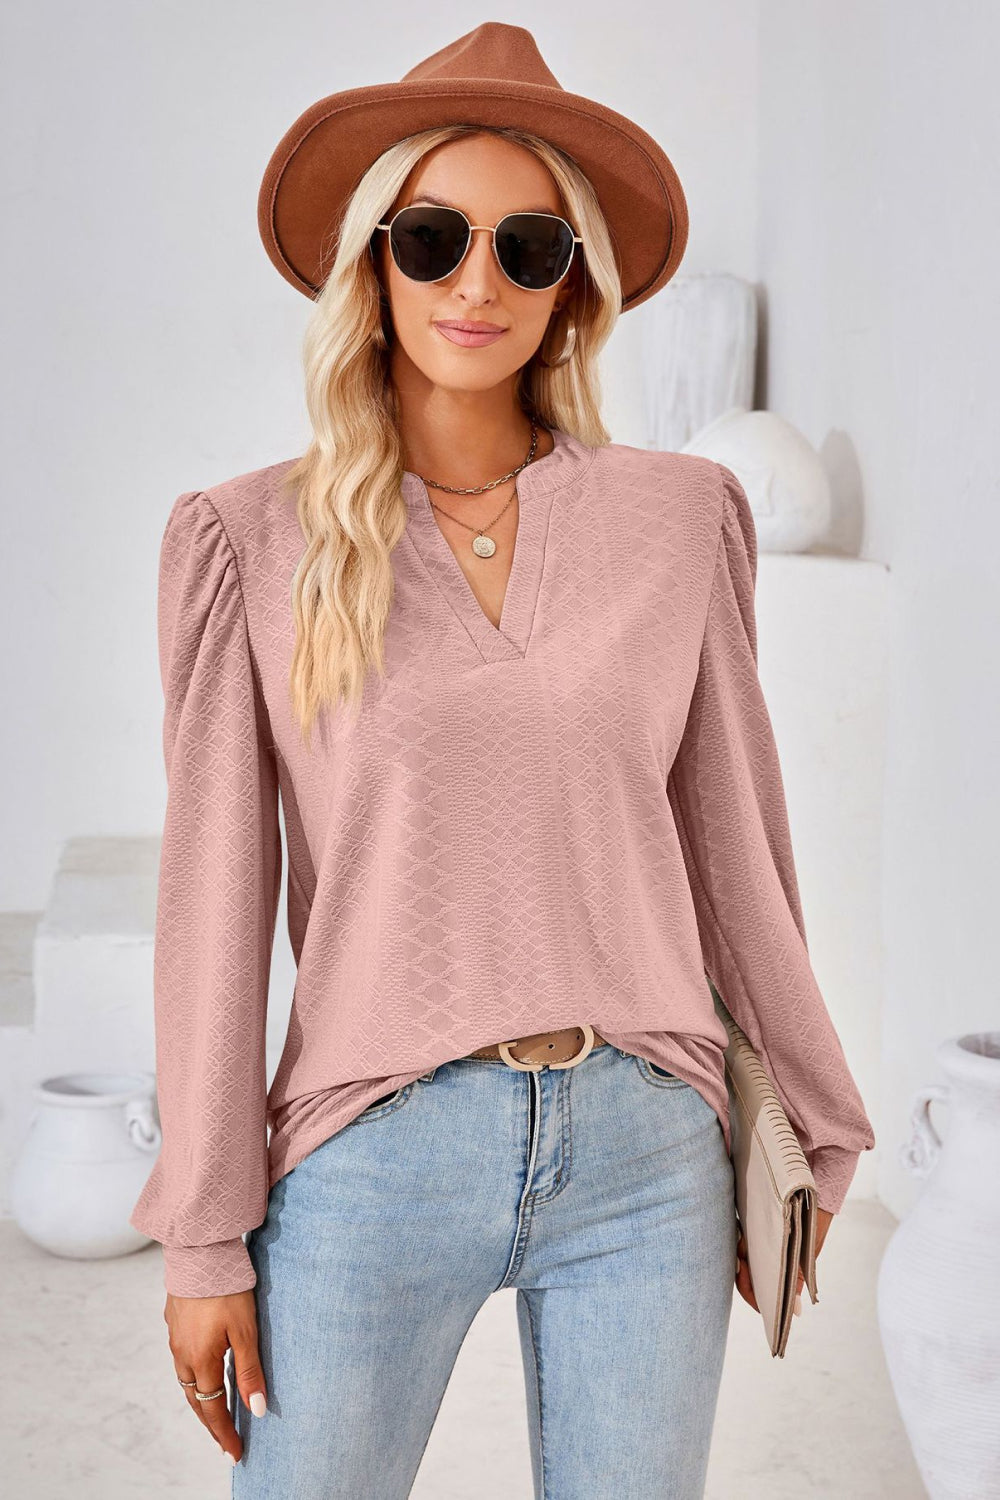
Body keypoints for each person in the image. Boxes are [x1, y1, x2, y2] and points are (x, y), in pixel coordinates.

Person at [129, 22, 875, 1497]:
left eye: (527, 248)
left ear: (572, 284)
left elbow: (735, 847)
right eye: (433, 239)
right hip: (374, 1145)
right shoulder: (247, 541)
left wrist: (814, 1116)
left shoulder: (681, 522)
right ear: (374, 264)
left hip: (645, 1152)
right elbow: (213, 907)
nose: (477, 284)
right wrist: (206, 1234)